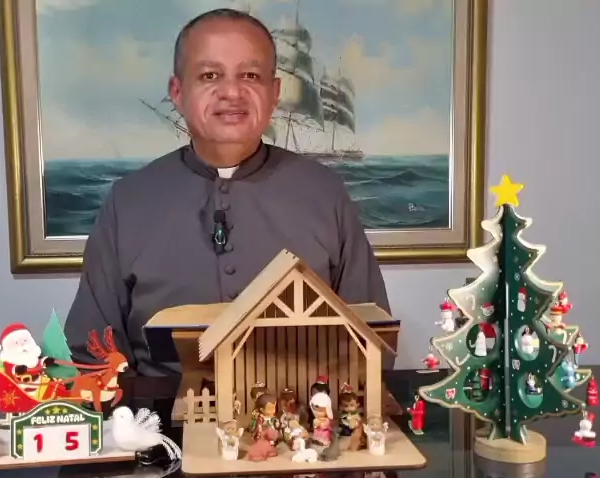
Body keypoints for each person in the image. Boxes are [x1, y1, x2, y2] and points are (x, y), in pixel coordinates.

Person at [65, 8, 389, 377]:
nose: (232, 92)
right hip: (158, 411)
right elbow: (92, 352)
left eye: (250, 75)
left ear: (275, 93)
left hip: (302, 408)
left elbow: (369, 339)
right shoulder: (127, 202)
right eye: (210, 75)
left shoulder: (325, 193)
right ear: (177, 92)